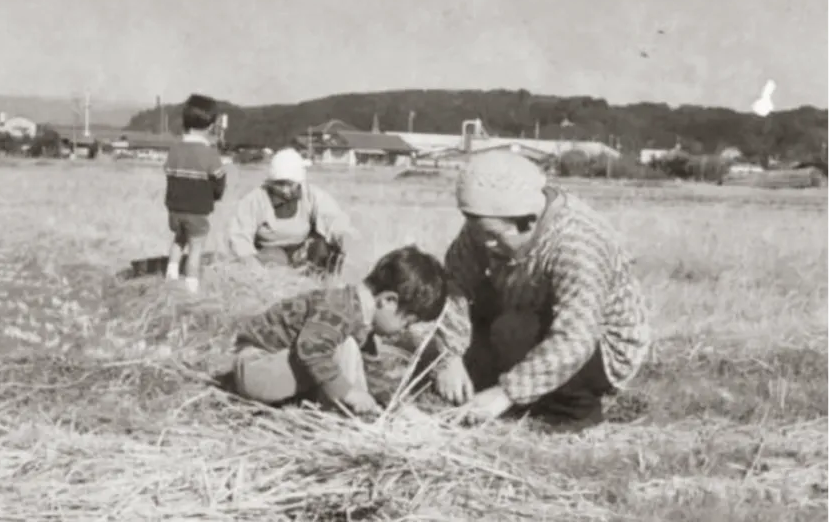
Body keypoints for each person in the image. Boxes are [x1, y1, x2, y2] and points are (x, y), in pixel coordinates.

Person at [432, 149, 651, 432]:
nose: (485, 245)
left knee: (512, 330)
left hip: (599, 343)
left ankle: (573, 413)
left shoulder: (577, 243)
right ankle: (508, 387)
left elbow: (576, 338)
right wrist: (448, 357)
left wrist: (506, 393)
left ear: (529, 221)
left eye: (495, 238)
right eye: (478, 232)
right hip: (526, 309)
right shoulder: (487, 228)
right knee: (489, 323)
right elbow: (456, 287)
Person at [215, 245, 448, 415]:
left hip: (274, 367)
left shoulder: (359, 320)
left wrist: (389, 401)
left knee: (347, 352)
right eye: (407, 322)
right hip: (256, 368)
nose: (402, 332)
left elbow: (367, 373)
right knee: (343, 348)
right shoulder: (339, 309)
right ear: (388, 300)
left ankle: (343, 412)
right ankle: (337, 419)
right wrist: (349, 393)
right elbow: (311, 349)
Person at [227, 147, 353, 274]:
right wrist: (251, 264)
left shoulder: (313, 196)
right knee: (274, 258)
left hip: (303, 251)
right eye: (279, 184)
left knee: (325, 250)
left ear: (299, 182)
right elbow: (239, 237)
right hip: (270, 253)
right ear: (271, 182)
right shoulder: (255, 200)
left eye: (289, 184)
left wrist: (344, 239)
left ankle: (319, 286)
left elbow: (334, 221)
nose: (284, 190)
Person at [163, 93, 227, 293]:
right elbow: (219, 181)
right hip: (197, 212)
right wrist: (215, 196)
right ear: (210, 125)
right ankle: (192, 287)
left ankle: (170, 277)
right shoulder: (209, 153)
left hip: (174, 211)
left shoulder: (174, 149)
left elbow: (168, 173)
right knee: (196, 248)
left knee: (178, 241)